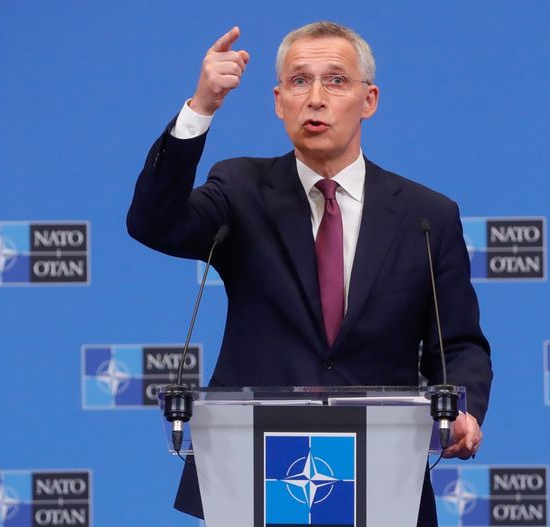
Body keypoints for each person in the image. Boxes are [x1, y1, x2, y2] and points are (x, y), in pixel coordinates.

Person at [127, 21, 492, 526]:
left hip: (383, 476)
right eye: (299, 81)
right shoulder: (240, 189)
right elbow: (153, 223)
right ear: (279, 102)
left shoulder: (427, 216)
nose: (316, 98)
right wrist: (201, 107)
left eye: (336, 80)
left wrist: (465, 410)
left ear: (369, 100)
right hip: (254, 473)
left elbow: (458, 344)